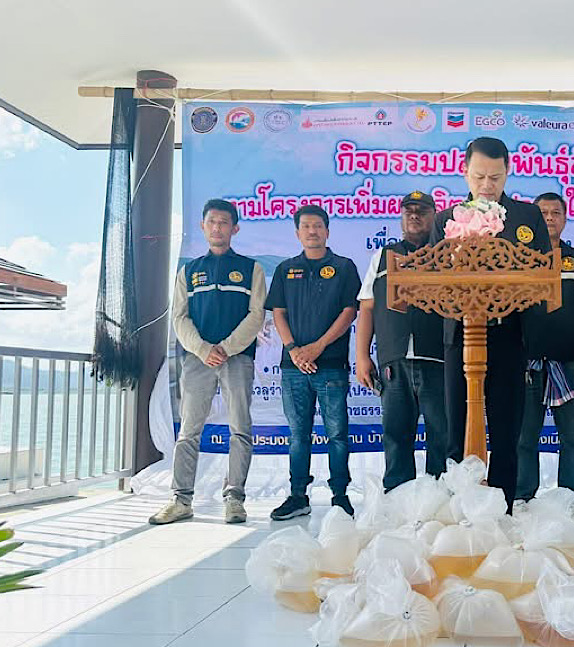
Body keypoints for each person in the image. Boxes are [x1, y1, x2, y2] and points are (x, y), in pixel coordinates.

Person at [428, 136, 551, 508]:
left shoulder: (527, 217)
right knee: (457, 431)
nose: (487, 185)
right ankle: (460, 509)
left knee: (506, 432)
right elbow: (433, 277)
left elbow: (545, 277)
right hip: (460, 338)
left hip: (509, 335)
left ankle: (503, 511)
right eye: (479, 176)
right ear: (464, 172)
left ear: (508, 172)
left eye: (495, 178)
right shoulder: (446, 219)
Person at [151, 198, 266, 525]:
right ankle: (181, 500)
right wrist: (203, 350)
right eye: (212, 222)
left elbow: (256, 314)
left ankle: (234, 499)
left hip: (237, 358)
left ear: (235, 228)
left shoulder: (252, 269)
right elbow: (179, 317)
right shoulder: (189, 271)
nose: (217, 228)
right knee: (189, 430)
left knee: (240, 429)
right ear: (203, 227)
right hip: (197, 359)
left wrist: (226, 348)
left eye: (224, 222)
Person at [266, 205, 361, 520]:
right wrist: (294, 350)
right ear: (297, 233)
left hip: (331, 365)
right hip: (293, 367)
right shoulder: (285, 269)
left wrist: (318, 347)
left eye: (317, 225)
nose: (312, 231)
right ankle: (298, 497)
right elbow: (278, 312)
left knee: (337, 434)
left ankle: (340, 496)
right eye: (306, 226)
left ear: (327, 231)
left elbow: (349, 312)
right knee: (298, 435)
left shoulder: (344, 267)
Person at [355, 190, 448, 491]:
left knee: (442, 434)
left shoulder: (448, 256)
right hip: (394, 360)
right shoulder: (383, 257)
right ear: (401, 217)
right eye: (409, 211)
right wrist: (362, 357)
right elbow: (367, 307)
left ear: (434, 216)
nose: (415, 216)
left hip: (438, 359)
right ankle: (396, 499)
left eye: (422, 211)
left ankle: (439, 500)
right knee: (396, 435)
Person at [515, 192, 574, 526]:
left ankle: (573, 499)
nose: (549, 218)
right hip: (526, 363)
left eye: (556, 213)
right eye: (543, 213)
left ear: (565, 219)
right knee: (524, 436)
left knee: (573, 436)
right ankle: (521, 497)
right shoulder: (517, 257)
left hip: (570, 362)